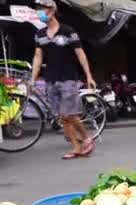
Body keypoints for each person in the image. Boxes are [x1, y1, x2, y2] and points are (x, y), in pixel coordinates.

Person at [31, 0, 96, 160]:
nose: (38, 12)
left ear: (52, 10)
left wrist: (88, 75)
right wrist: (33, 79)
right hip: (50, 80)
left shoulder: (68, 31)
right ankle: (76, 147)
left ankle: (86, 137)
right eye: (37, 9)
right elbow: (38, 57)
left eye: (41, 9)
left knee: (69, 115)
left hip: (68, 78)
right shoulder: (40, 35)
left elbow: (80, 53)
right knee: (62, 116)